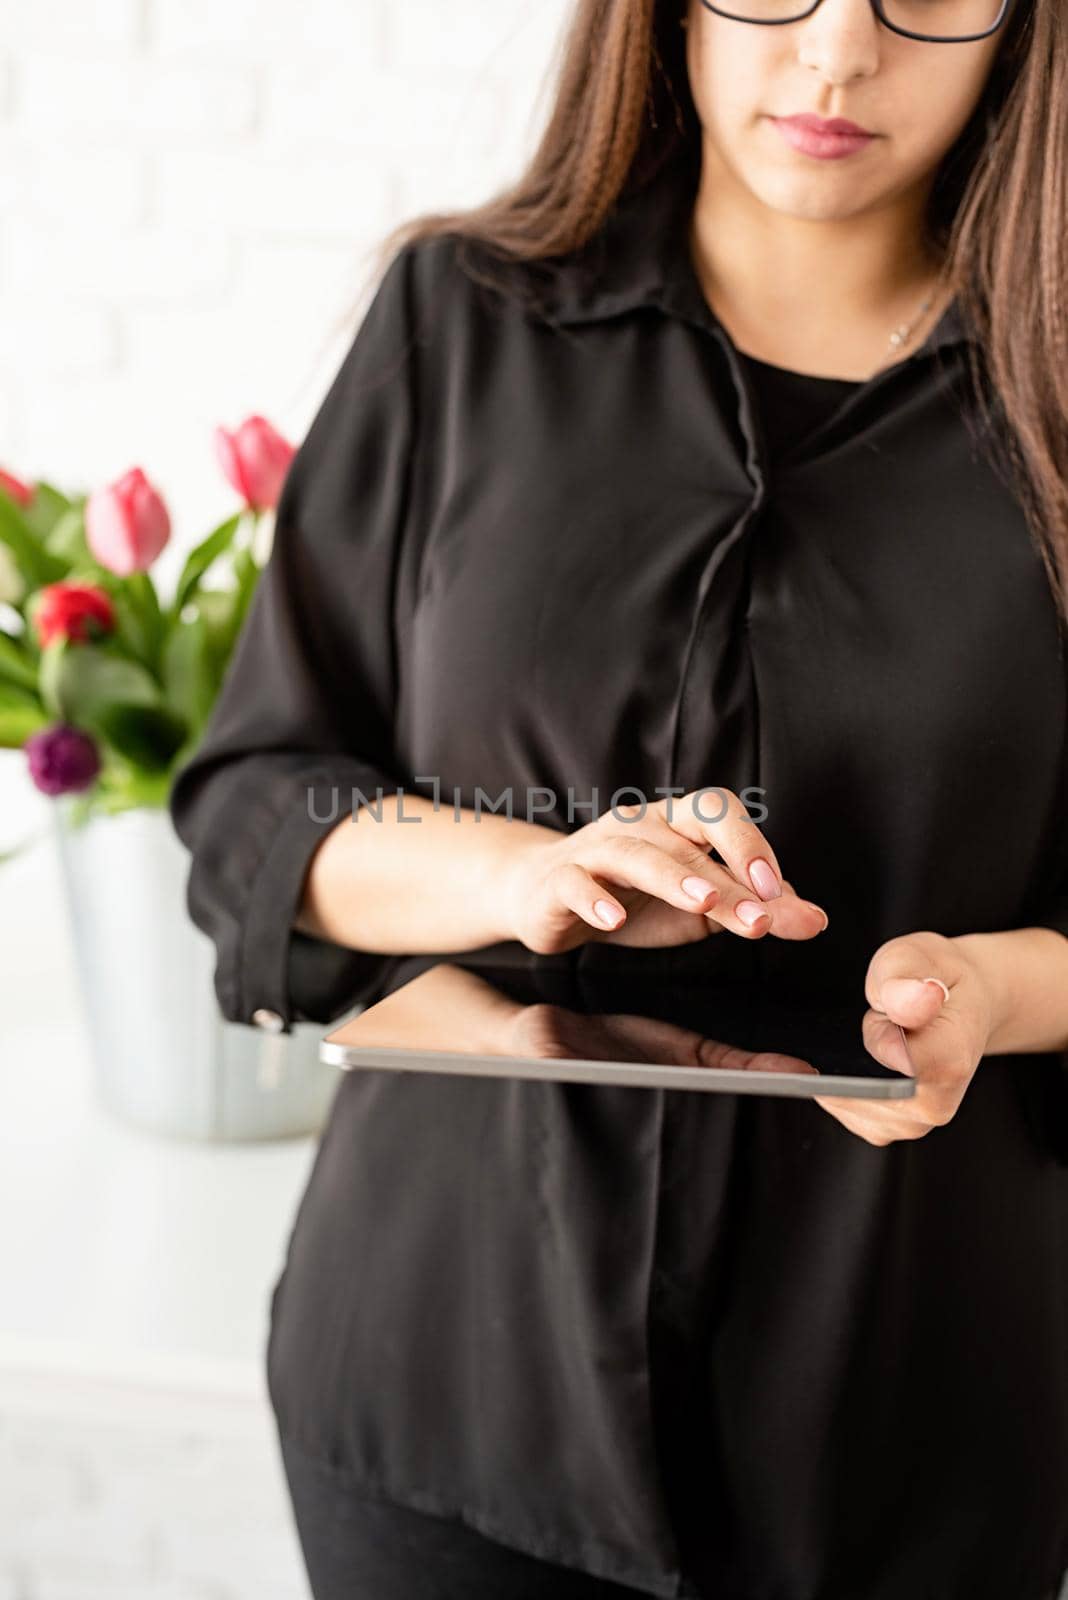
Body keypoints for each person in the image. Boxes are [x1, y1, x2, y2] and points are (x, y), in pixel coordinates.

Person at [168, 0, 1068, 1594]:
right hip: (445, 1389)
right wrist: (524, 877)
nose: (840, 52)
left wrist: (991, 987)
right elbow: (257, 802)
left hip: (911, 1427)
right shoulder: (458, 320)